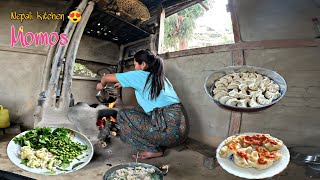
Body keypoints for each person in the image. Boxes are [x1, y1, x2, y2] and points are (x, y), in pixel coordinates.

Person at [96, 49, 187, 159]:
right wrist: (124, 82)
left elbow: (105, 78)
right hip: (181, 132)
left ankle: (152, 150)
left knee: (123, 115)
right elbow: (145, 90)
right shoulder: (161, 79)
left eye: (135, 64)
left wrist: (100, 86)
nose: (134, 68)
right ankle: (159, 142)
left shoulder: (140, 75)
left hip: (169, 134)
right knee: (138, 110)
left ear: (143, 64)